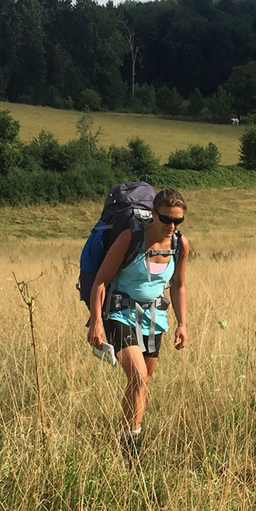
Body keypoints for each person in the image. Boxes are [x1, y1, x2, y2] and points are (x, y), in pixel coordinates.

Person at [87, 187, 189, 455]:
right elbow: (100, 281)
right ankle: (131, 451)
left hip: (154, 317)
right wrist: (96, 321)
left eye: (178, 221)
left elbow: (178, 285)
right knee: (138, 376)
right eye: (166, 219)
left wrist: (182, 324)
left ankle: (127, 435)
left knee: (143, 381)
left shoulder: (180, 244)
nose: (171, 226)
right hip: (119, 312)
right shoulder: (129, 238)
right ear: (153, 213)